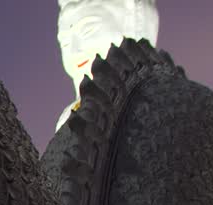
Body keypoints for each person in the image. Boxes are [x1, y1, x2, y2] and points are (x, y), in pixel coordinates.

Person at [55, 0, 159, 131]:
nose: (75, 51)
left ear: (130, 22)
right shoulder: (68, 116)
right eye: (65, 43)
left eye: (87, 31)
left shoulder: (159, 99)